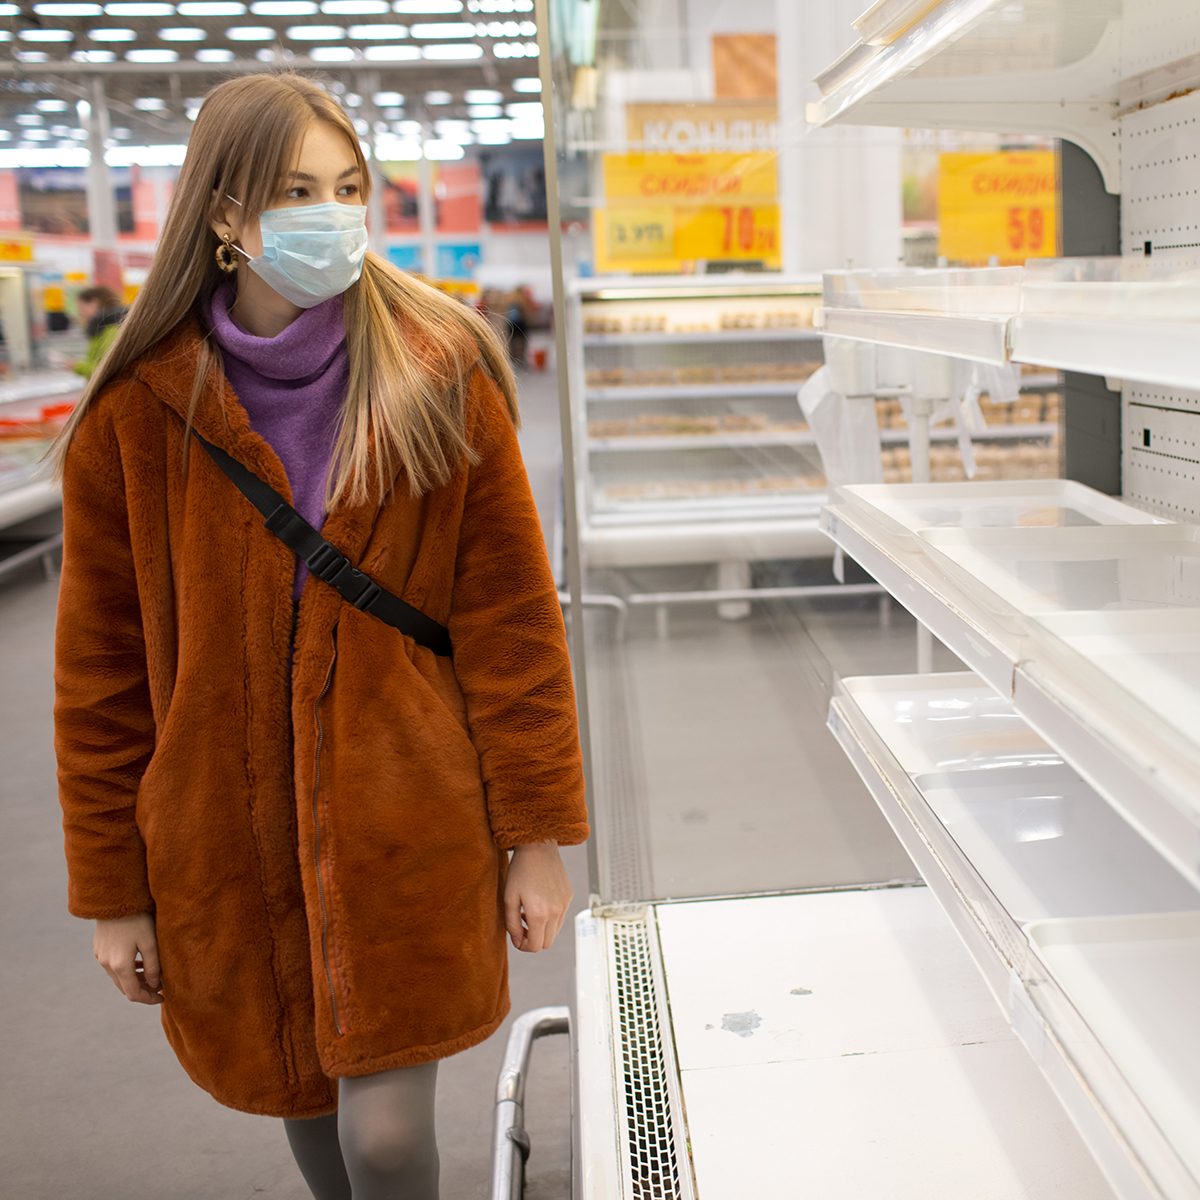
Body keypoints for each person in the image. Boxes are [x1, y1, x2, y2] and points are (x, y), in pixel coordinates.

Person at [45, 71, 589, 1200]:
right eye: (296, 190)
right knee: (301, 1100)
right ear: (225, 215)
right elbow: (99, 681)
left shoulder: (439, 373)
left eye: (348, 186)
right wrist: (114, 889)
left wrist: (535, 832)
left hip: (407, 824)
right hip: (227, 843)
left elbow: (513, 622)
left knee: (384, 1137)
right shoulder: (136, 416)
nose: (331, 213)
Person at [71, 284, 127, 378]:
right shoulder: (103, 327)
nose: (80, 313)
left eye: (81, 307)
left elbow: (107, 369)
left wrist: (76, 366)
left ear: (94, 302)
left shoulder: (111, 329)